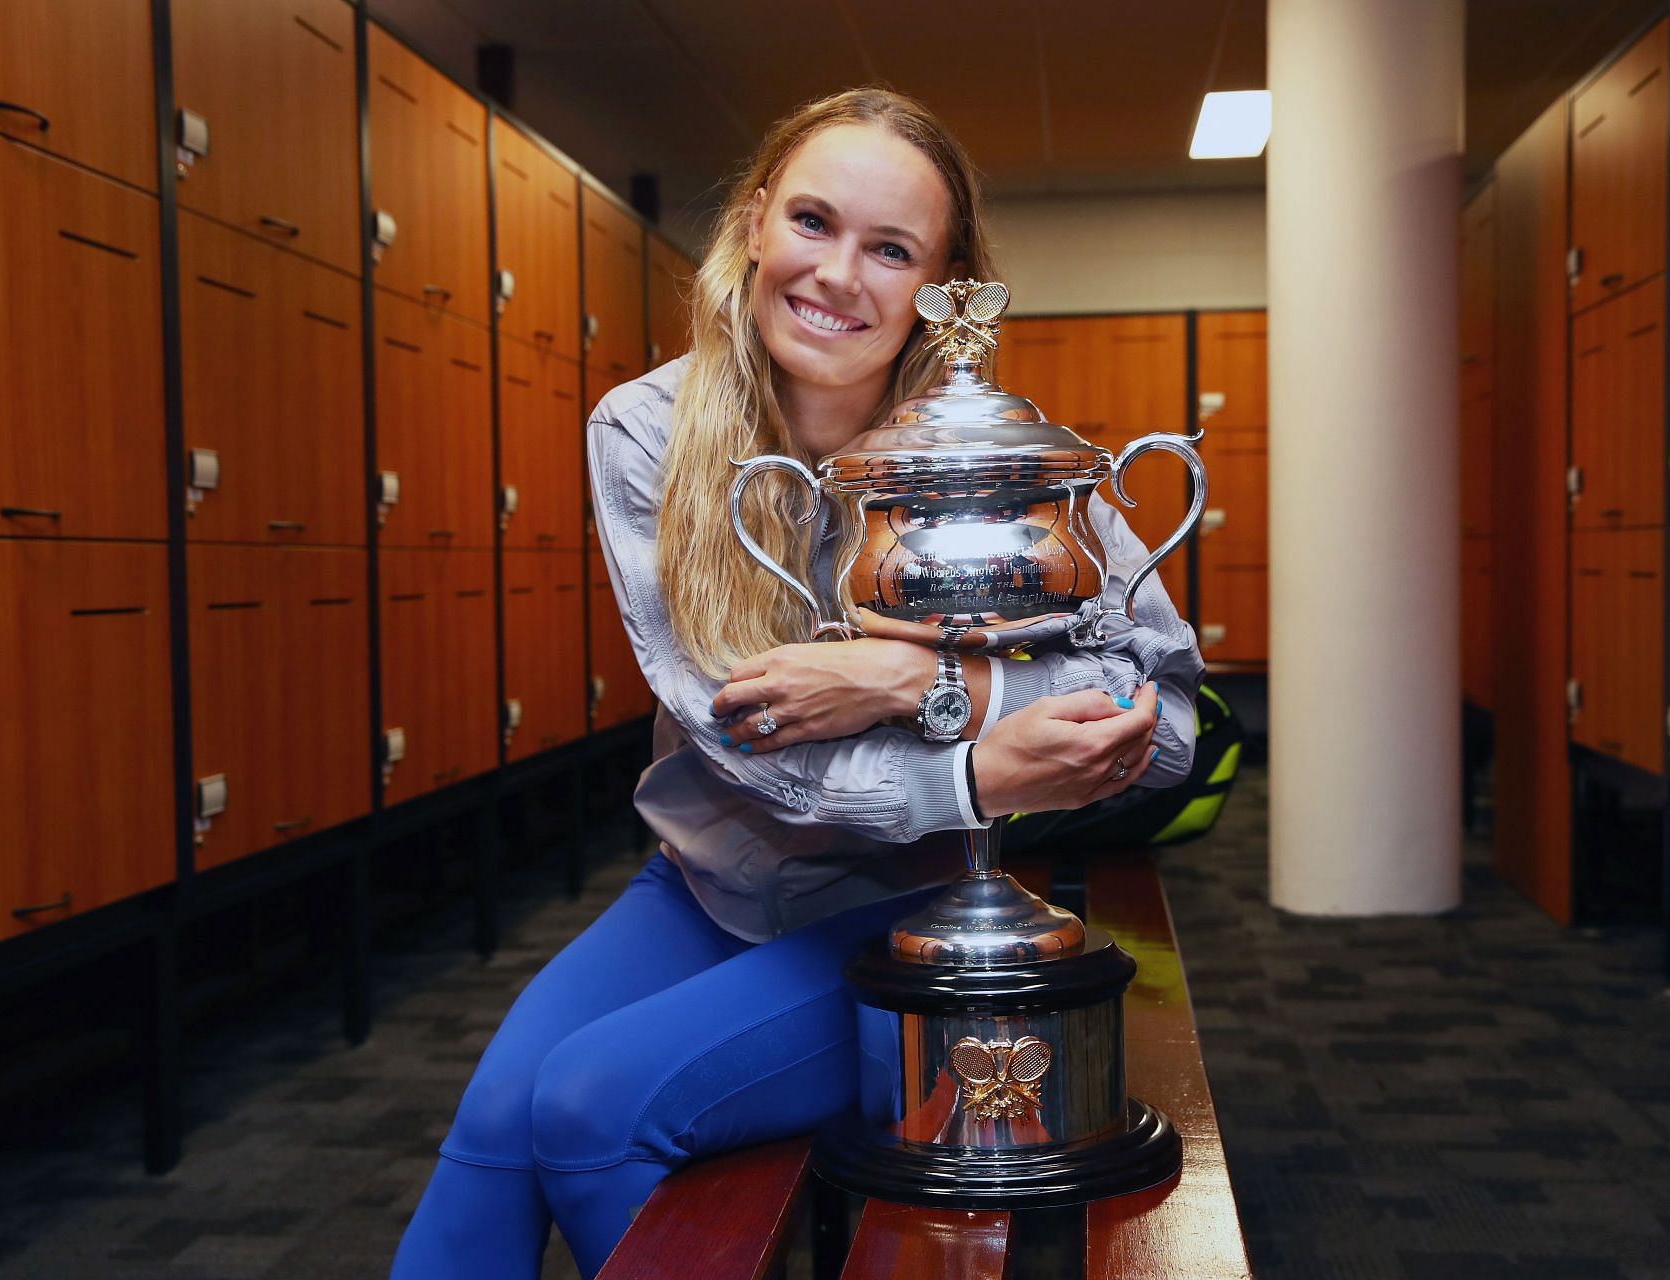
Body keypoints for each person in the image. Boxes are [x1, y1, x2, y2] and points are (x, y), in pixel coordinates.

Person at [391, 87, 1204, 1279]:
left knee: (586, 1108)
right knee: (491, 1137)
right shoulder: (646, 431)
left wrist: (915, 685)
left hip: (915, 905)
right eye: (814, 223)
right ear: (758, 219)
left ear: (944, 282)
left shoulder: (999, 457)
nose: (837, 275)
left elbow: (1168, 720)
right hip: (711, 880)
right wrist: (976, 750)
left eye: (891, 249)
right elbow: (741, 740)